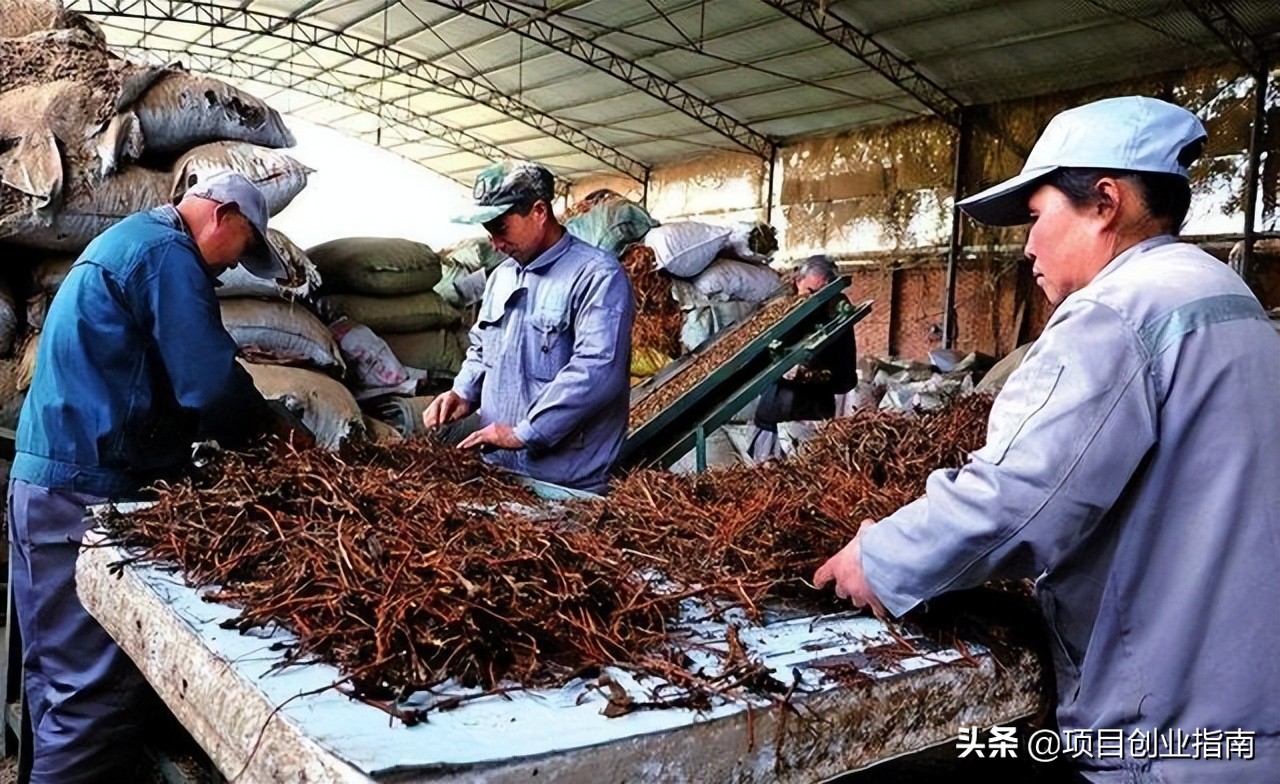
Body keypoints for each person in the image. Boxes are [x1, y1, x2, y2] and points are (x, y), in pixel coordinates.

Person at [813, 96, 1279, 782]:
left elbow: (1023, 498)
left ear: (1105, 203)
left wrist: (880, 558)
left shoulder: (1116, 311)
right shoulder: (1226, 296)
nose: (1027, 245)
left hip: (1167, 730)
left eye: (1037, 217)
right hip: (1245, 707)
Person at [7, 171, 290, 783]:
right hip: (83, 490)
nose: (230, 270)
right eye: (243, 249)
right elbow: (210, 384)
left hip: (51, 481)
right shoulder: (168, 254)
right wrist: (277, 440)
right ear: (224, 217)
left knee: (54, 680)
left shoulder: (134, 239)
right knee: (89, 702)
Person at [422, 161, 635, 494]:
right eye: (488, 232)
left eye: (501, 228)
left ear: (538, 211)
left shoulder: (597, 276)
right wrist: (463, 392)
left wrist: (525, 432)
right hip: (499, 470)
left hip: (564, 481)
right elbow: (482, 347)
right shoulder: (502, 276)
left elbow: (596, 370)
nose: (495, 243)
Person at [748, 255, 856, 462]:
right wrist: (781, 370)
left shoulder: (838, 320)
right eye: (810, 292)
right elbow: (756, 364)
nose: (814, 301)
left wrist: (814, 375)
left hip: (812, 418)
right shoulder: (779, 313)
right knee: (767, 480)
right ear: (798, 283)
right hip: (774, 416)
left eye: (824, 294)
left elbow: (846, 379)